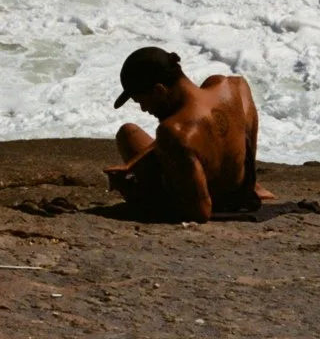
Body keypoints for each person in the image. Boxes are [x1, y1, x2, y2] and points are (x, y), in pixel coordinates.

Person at [102, 46, 273, 222]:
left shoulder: (174, 131)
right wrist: (134, 163)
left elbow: (200, 213)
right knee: (130, 131)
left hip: (214, 199)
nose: (144, 109)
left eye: (142, 101)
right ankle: (256, 186)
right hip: (242, 189)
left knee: (127, 134)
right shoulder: (235, 86)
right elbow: (208, 134)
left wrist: (130, 190)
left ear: (160, 91)